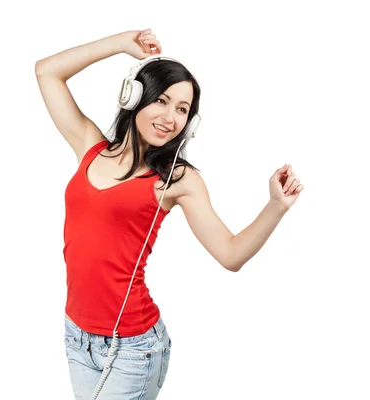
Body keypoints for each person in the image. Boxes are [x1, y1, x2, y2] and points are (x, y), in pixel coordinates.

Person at [35, 28, 304, 400]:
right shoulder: (89, 146)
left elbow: (230, 254)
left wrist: (275, 207)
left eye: (182, 109)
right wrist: (118, 45)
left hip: (131, 347)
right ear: (133, 97)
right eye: (161, 100)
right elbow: (46, 71)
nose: (170, 117)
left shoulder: (178, 179)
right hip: (76, 335)